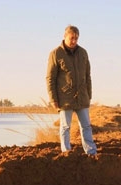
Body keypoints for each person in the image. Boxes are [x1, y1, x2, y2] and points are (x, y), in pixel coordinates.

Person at [46, 25, 97, 156]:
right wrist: (53, 99)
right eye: (71, 38)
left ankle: (91, 152)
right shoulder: (56, 53)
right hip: (64, 99)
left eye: (76, 38)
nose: (74, 41)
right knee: (65, 127)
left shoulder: (83, 53)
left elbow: (88, 76)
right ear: (65, 37)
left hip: (82, 97)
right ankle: (66, 152)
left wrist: (89, 95)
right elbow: (50, 78)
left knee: (86, 127)